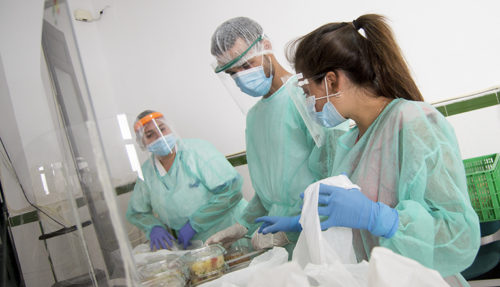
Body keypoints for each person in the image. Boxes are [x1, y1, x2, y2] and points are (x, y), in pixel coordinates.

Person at [255, 14, 480, 286]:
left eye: (306, 90)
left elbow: (460, 236)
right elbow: (353, 220)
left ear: (332, 81)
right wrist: (305, 221)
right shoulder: (348, 143)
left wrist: (381, 219)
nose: (307, 102)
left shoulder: (415, 123)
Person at [205, 17, 331, 254]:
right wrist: (242, 225)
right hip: (280, 245)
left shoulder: (305, 94)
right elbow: (268, 193)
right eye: (233, 73)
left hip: (322, 233)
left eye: (245, 65)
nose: (241, 76)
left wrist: (294, 226)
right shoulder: (254, 118)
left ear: (266, 47)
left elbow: (334, 173)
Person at [126, 110, 247, 250]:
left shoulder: (197, 151)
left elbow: (232, 191)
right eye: (149, 135)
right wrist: (153, 227)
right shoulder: (147, 173)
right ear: (142, 143)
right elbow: (137, 212)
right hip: (197, 245)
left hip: (232, 231)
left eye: (162, 129)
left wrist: (195, 223)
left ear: (170, 128)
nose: (159, 136)